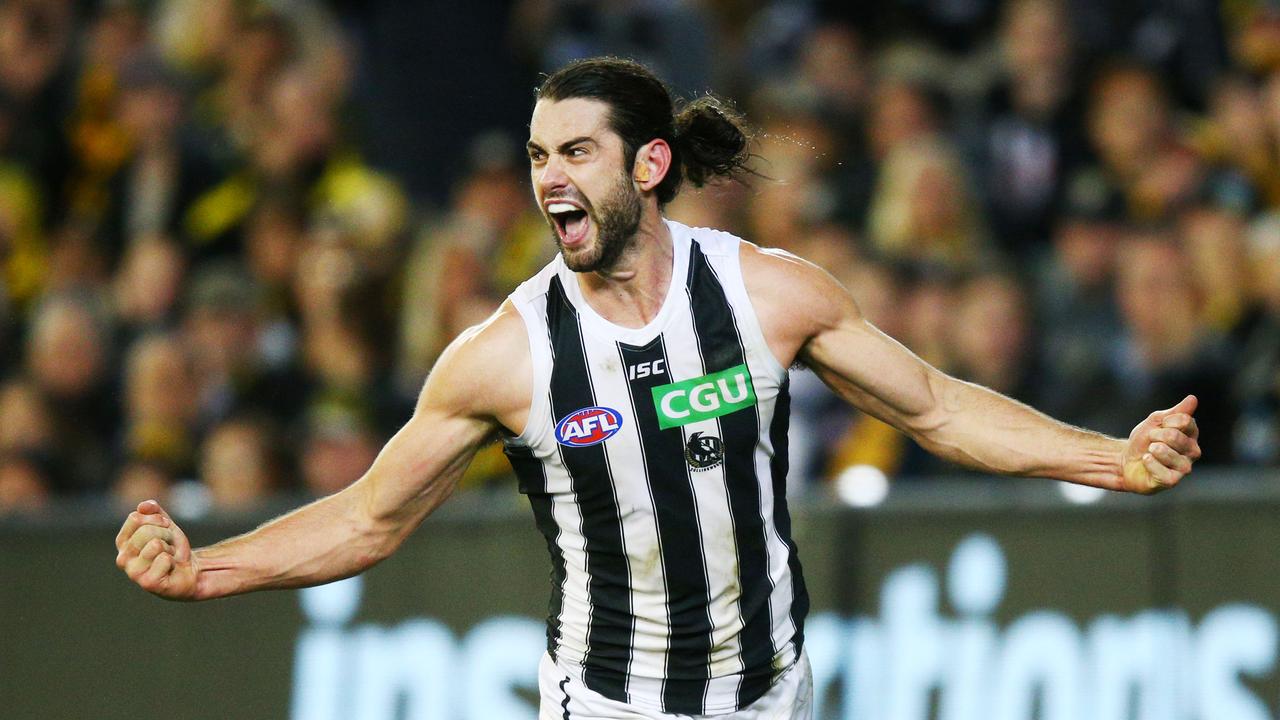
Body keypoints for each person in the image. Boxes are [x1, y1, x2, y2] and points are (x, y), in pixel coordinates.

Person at [115, 57, 1202, 719]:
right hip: (610, 704)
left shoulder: (771, 295)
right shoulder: (503, 355)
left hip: (773, 695)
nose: (547, 176)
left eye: (574, 151)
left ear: (643, 166)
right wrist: (208, 571)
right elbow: (367, 518)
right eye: (540, 154)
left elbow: (936, 407)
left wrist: (1108, 458)